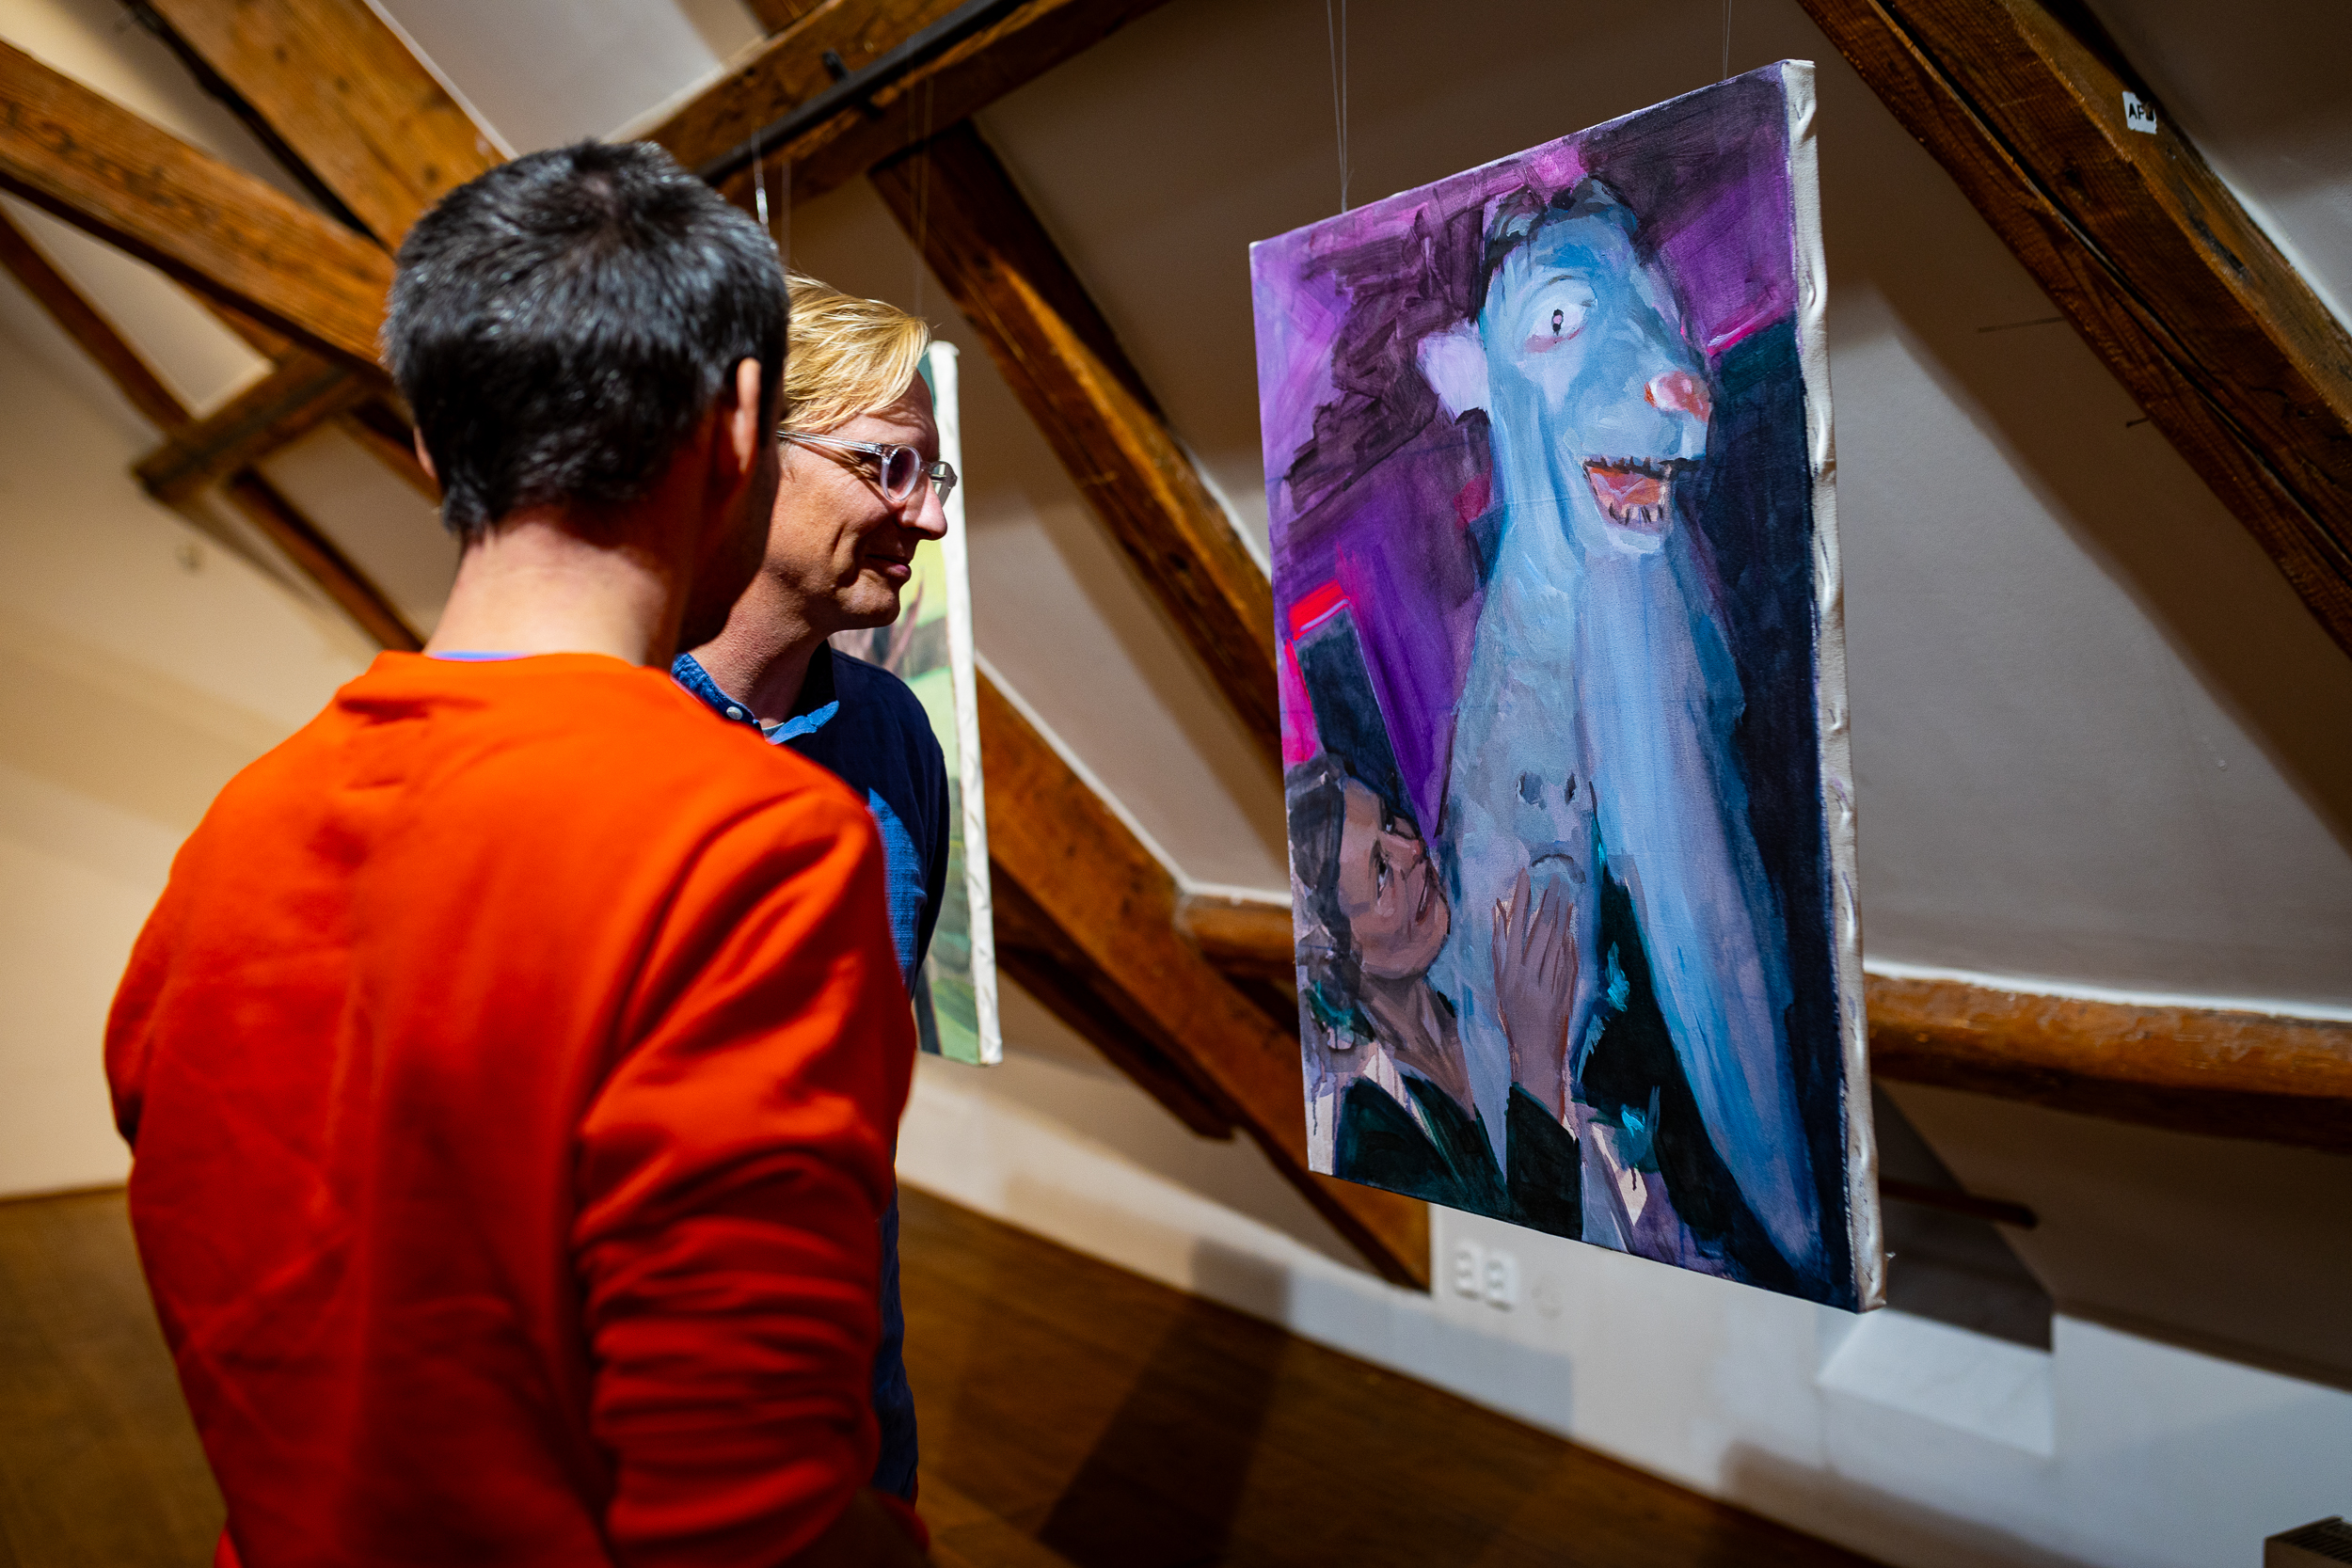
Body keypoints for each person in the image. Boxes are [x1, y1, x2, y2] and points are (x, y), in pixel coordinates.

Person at [104, 144, 930, 1567]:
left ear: (437, 444)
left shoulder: (235, 831)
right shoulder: (748, 841)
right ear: (739, 426)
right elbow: (750, 1521)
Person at [672, 273, 953, 1503]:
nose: (926, 517)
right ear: (747, 458)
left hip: (846, 1401)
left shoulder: (894, 734)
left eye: (934, 477)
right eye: (890, 466)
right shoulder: (601, 730)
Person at [1286, 754, 1581, 1234]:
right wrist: (1537, 1064)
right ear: (1342, 955)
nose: (1412, 849)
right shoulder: (1372, 1136)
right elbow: (1532, 1250)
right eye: (1381, 872)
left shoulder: (1474, 1007)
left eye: (1390, 822)